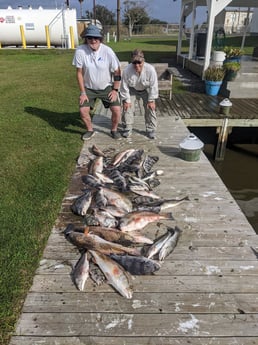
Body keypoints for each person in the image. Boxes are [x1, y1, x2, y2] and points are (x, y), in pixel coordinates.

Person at [72, 24, 122, 140]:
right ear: (86, 39)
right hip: (89, 88)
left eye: (96, 38)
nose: (93, 40)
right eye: (90, 38)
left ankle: (114, 130)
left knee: (117, 109)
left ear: (100, 39)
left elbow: (117, 71)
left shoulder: (108, 51)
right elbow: (79, 72)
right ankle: (90, 130)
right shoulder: (80, 51)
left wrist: (115, 90)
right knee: (83, 110)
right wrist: (83, 92)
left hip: (106, 87)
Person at [120, 49, 159, 139]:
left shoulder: (150, 69)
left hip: (146, 89)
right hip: (132, 89)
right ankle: (127, 127)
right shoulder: (127, 70)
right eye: (134, 62)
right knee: (127, 106)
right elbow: (124, 86)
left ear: (143, 61)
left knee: (150, 108)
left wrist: (151, 100)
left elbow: (154, 85)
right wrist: (127, 100)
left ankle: (151, 129)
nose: (137, 65)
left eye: (139, 62)